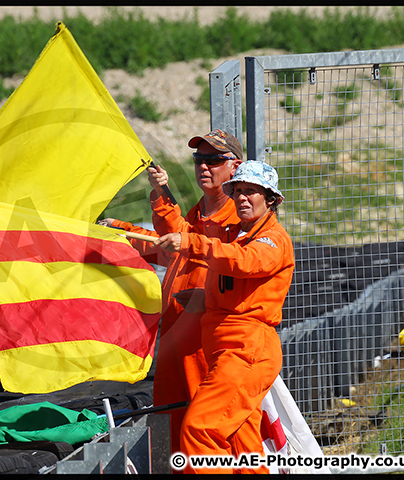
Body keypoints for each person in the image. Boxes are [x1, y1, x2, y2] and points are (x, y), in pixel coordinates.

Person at [98, 129, 244, 459]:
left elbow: (242, 273)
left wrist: (205, 300)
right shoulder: (199, 213)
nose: (204, 166)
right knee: (173, 426)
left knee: (206, 432)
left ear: (234, 167)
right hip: (177, 338)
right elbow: (171, 243)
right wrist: (129, 223)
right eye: (198, 160)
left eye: (214, 160)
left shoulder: (238, 217)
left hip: (206, 343)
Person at [155, 160, 295, 474]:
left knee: (200, 431)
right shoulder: (241, 237)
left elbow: (246, 263)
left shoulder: (271, 240)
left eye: (252, 192)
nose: (243, 198)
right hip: (234, 350)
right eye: (239, 191)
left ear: (270, 200)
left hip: (245, 350)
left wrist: (192, 242)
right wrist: (206, 300)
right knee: (242, 444)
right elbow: (243, 286)